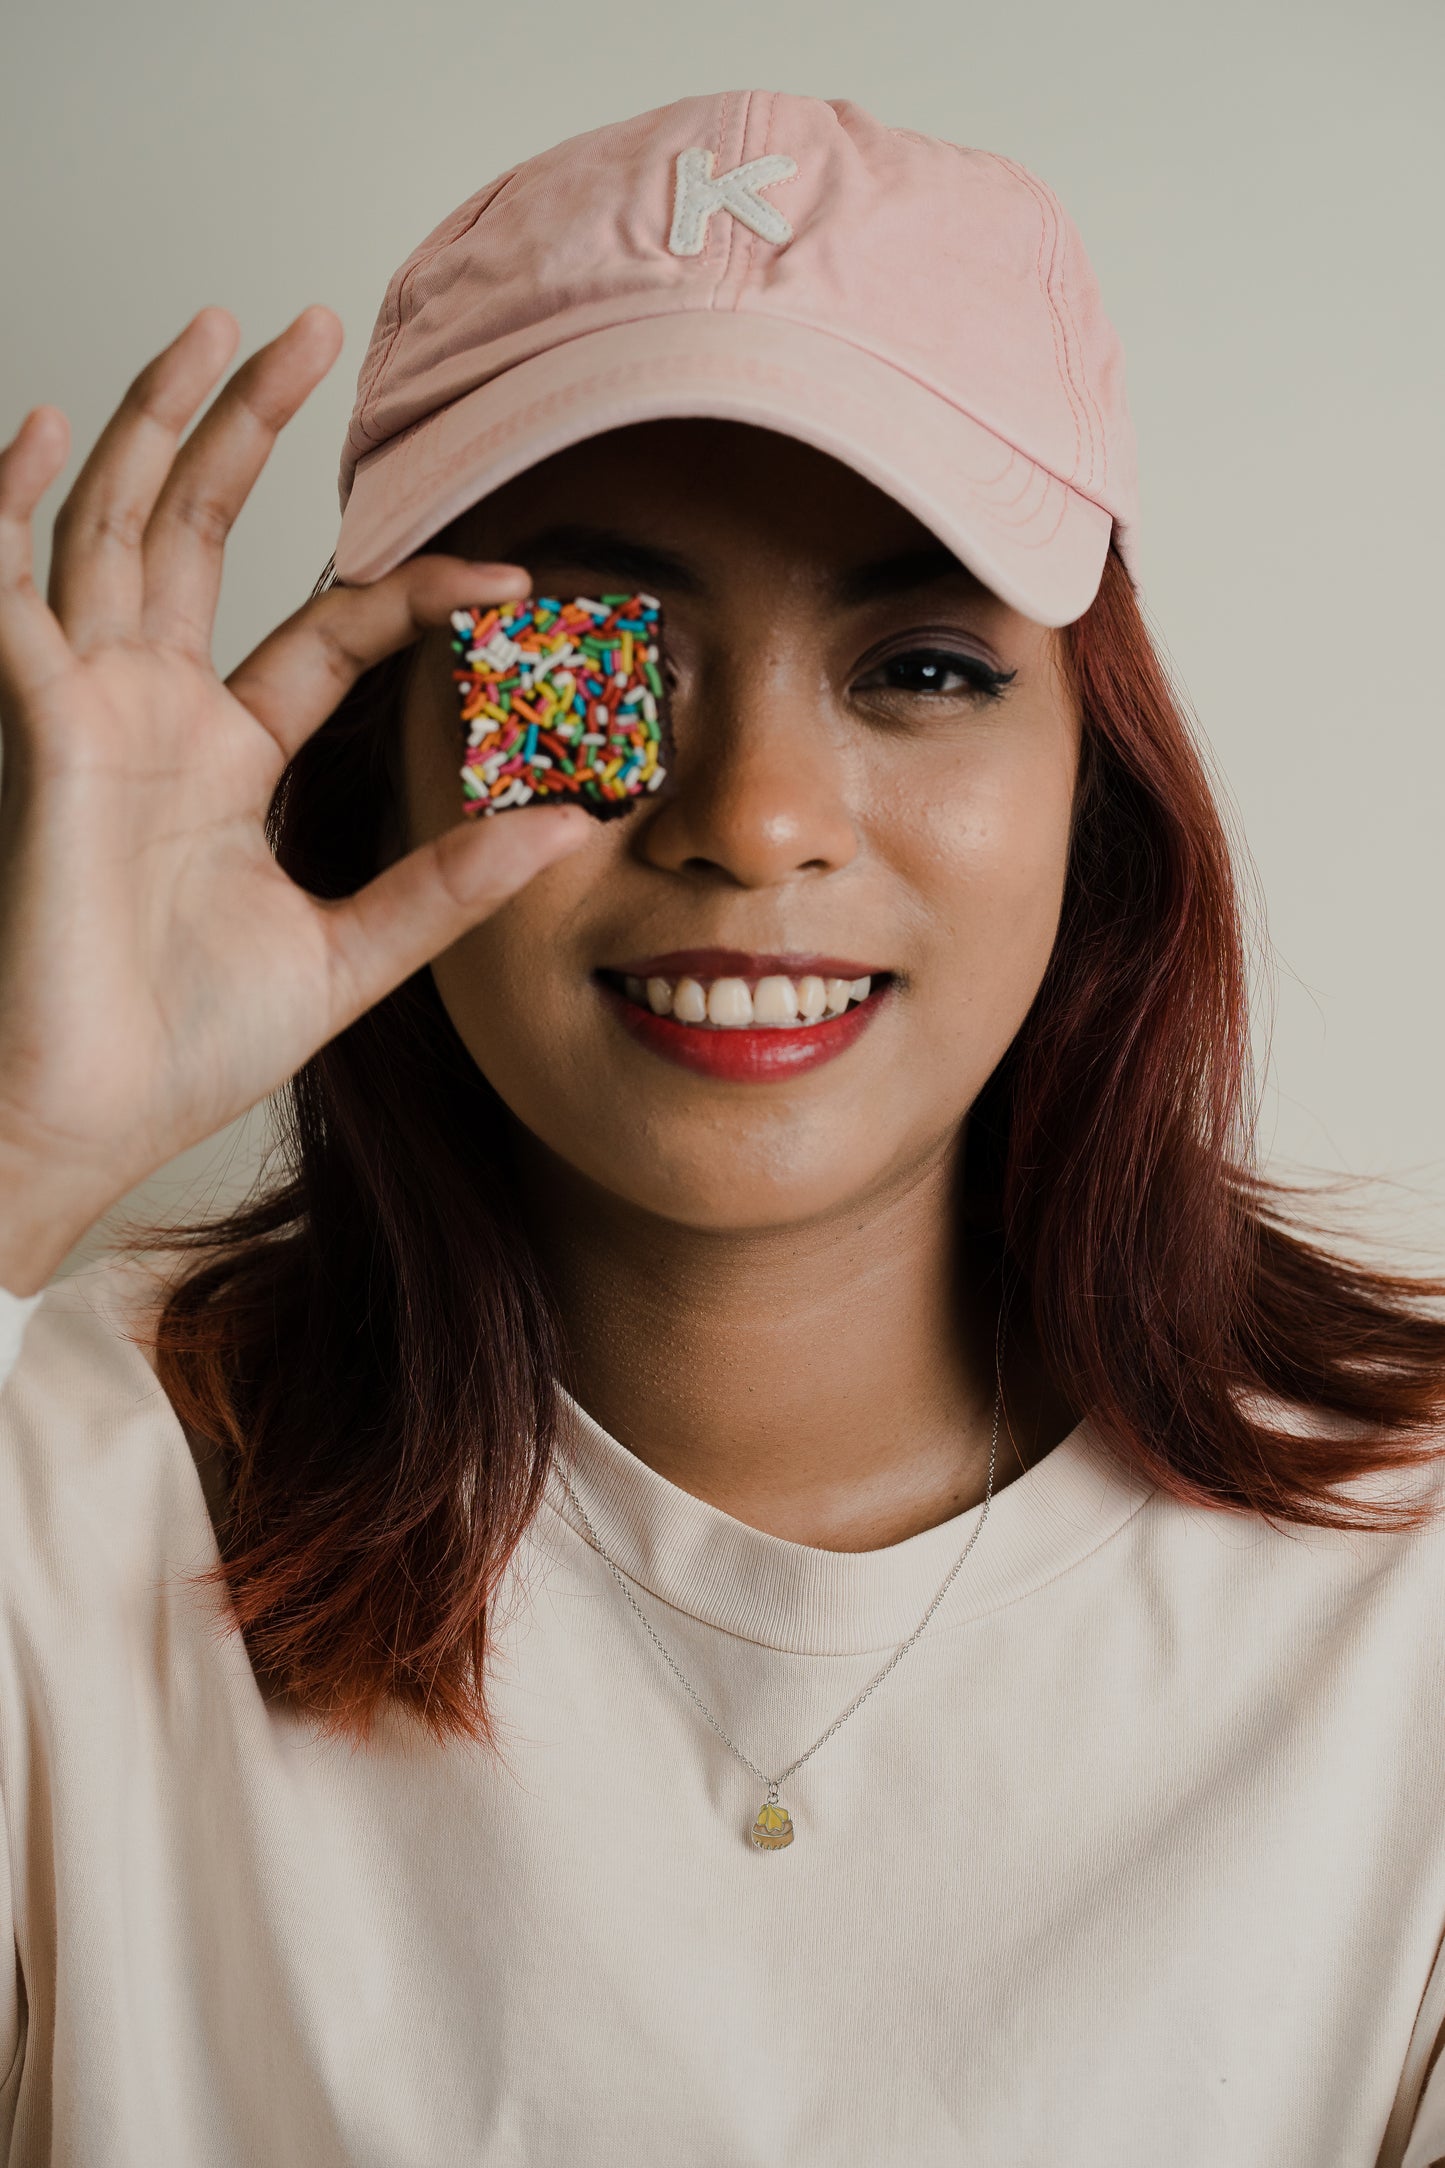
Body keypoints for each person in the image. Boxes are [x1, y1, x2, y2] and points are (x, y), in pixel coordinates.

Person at [0, 86, 1442, 2167]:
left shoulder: (1407, 1609)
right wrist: (23, 1156)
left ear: (1094, 786)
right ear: (387, 752)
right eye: (595, 666)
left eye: (925, 664)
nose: (756, 819)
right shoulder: (75, 1500)